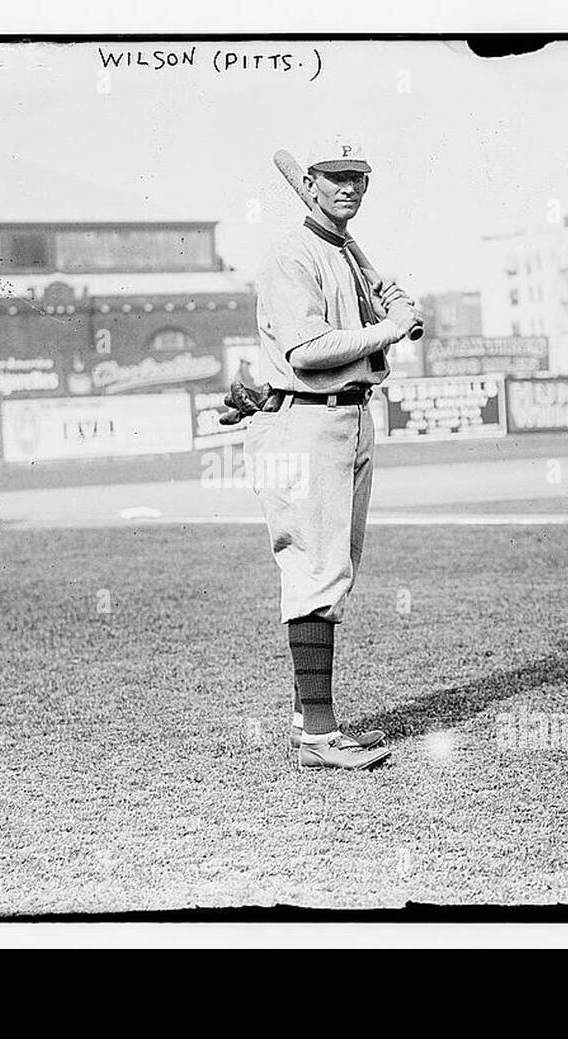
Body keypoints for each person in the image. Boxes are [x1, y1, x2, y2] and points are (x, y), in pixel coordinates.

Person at [244, 134, 420, 771]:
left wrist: (387, 307)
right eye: (335, 177)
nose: (348, 188)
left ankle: (310, 721)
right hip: (302, 420)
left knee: (335, 566)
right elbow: (306, 351)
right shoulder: (292, 255)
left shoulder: (345, 255)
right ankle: (317, 735)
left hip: (349, 417)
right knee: (315, 570)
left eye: (359, 178)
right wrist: (387, 328)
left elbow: (362, 341)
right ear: (310, 184)